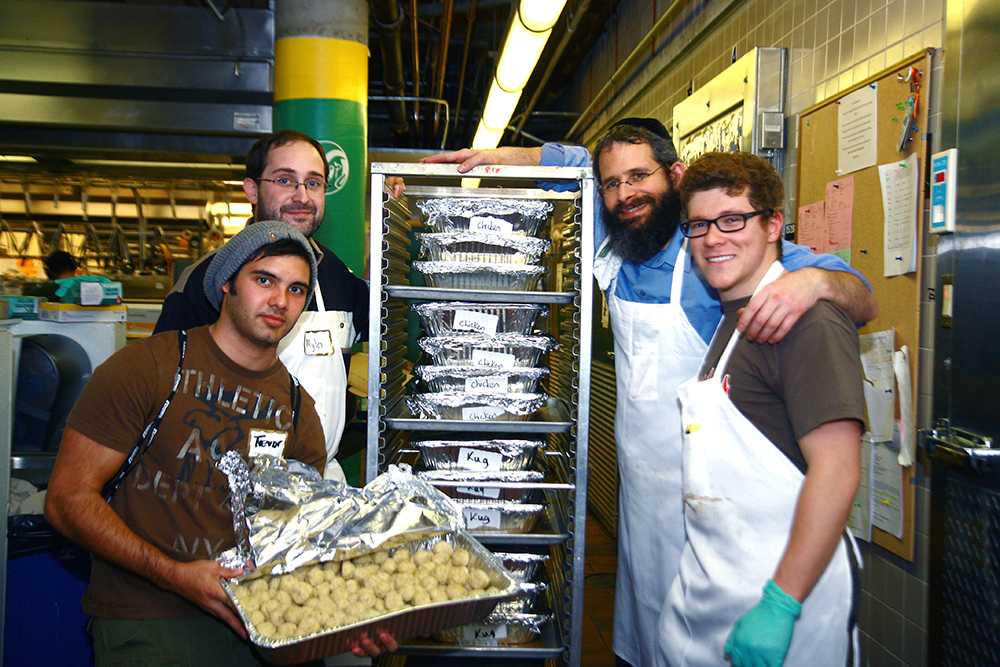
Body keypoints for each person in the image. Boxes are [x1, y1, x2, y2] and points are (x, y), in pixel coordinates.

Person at [424, 121, 876, 667]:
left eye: (639, 176)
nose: (623, 195)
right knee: (652, 636)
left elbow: (858, 294)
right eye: (612, 184)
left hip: (714, 502)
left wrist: (815, 283)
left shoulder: (716, 255)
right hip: (641, 494)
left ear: (675, 176)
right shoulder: (617, 243)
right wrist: (492, 157)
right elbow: (571, 163)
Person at [45, 222, 395, 665]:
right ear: (227, 282)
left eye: (296, 289)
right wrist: (175, 575)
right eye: (264, 280)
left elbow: (296, 542)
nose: (279, 301)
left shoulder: (299, 412)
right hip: (148, 620)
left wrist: (352, 613)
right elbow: (66, 499)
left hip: (255, 628)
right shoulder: (148, 368)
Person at [661, 152, 864, 666]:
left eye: (733, 220)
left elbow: (837, 469)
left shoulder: (808, 322)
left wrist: (782, 602)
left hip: (786, 600)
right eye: (700, 225)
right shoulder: (735, 318)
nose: (713, 239)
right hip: (719, 590)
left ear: (773, 224)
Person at [155, 130, 371, 484]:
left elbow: (384, 329)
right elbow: (163, 394)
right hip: (222, 487)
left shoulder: (338, 278)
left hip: (319, 486)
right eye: (285, 180)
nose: (302, 196)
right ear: (252, 190)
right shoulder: (208, 279)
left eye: (314, 183)